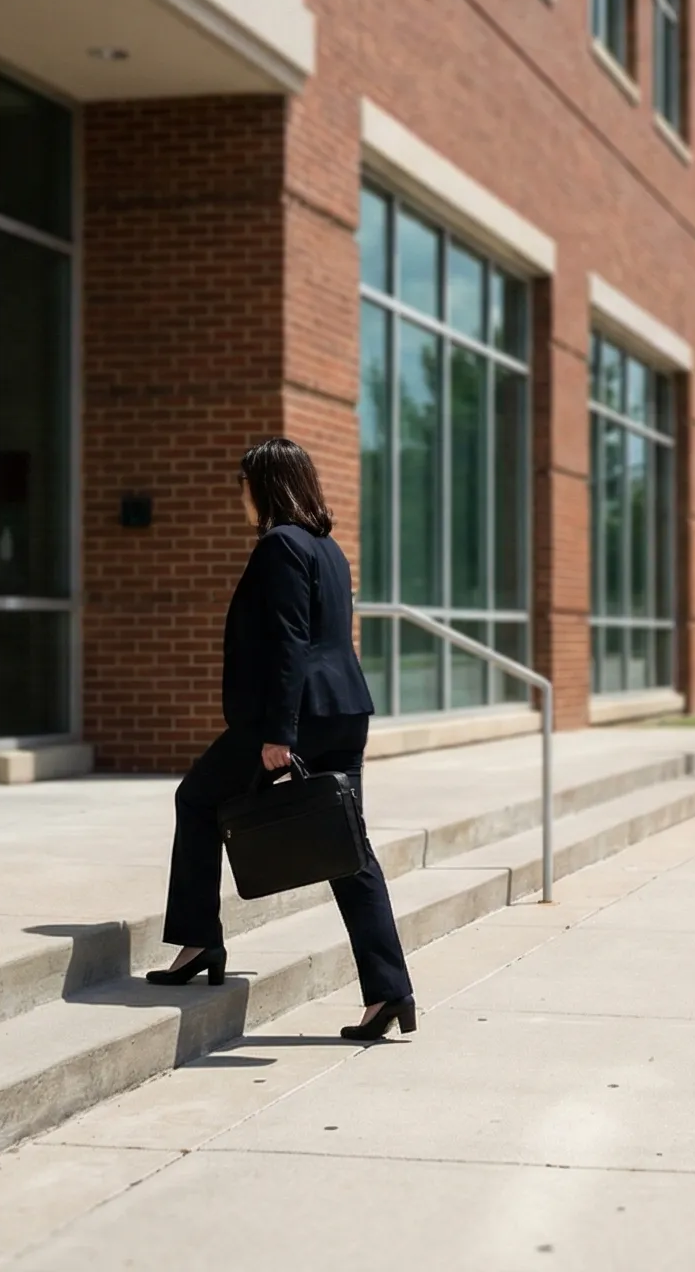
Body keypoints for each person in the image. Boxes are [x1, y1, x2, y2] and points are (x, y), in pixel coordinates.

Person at [149, 437, 415, 1040]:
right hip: (346, 708)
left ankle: (199, 944)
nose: (240, 497)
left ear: (264, 486)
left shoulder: (278, 545)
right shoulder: (328, 548)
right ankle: (390, 992)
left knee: (196, 799)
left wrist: (278, 735)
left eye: (243, 485)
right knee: (350, 849)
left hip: (295, 717)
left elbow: (290, 641)